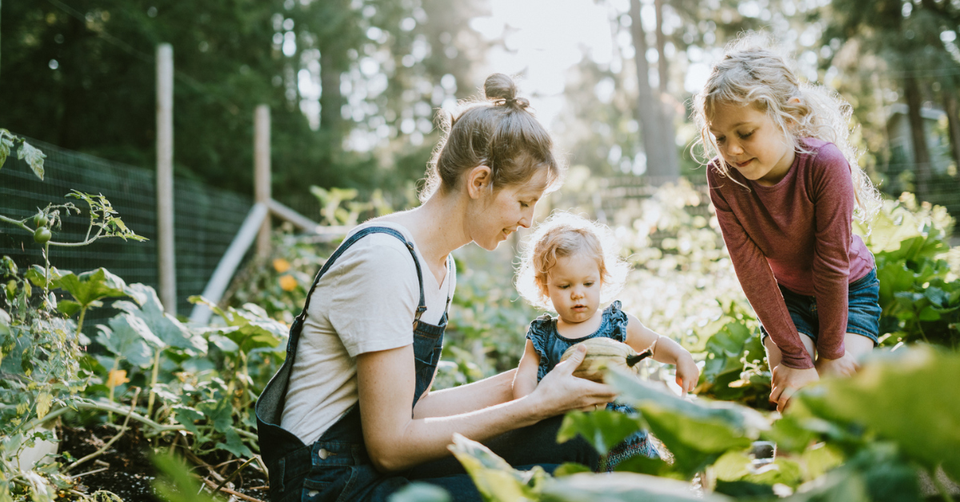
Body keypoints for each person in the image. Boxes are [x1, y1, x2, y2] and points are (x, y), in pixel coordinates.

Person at [255, 74, 618, 502]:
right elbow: (390, 446)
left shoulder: (438, 265)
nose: (527, 222)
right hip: (327, 484)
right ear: (479, 182)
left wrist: (537, 377)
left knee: (577, 442)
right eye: (523, 201)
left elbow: (415, 410)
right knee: (549, 489)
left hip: (367, 463)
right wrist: (533, 406)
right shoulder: (386, 261)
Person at [691, 34, 883, 412]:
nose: (731, 149)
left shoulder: (824, 165)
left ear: (790, 117)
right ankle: (789, 473)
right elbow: (752, 272)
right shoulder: (723, 179)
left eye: (745, 133)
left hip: (850, 290)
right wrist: (796, 359)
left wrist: (830, 354)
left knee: (836, 402)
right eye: (720, 138)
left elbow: (831, 265)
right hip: (786, 300)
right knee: (797, 405)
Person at [512, 211, 700, 470]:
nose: (578, 294)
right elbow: (524, 376)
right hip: (576, 443)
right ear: (545, 286)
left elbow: (654, 343)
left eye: (588, 283)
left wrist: (680, 356)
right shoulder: (543, 336)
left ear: (601, 278)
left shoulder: (615, 325)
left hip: (628, 443)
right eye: (565, 286)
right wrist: (528, 408)